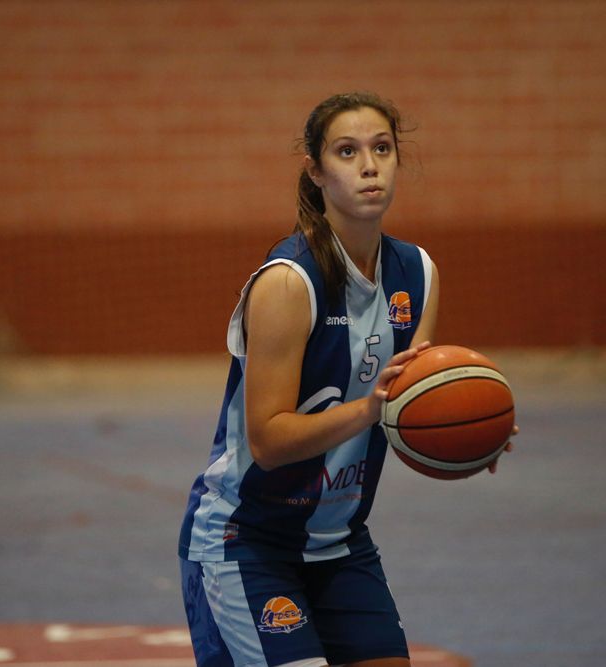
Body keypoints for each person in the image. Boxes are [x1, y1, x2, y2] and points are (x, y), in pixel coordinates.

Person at [178, 92, 516, 667]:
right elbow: (268, 440)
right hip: (245, 541)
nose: (368, 165)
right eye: (347, 151)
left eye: (382, 148)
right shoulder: (287, 282)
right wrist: (369, 409)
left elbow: (412, 402)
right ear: (316, 171)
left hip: (339, 542)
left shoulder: (418, 272)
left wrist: (466, 433)